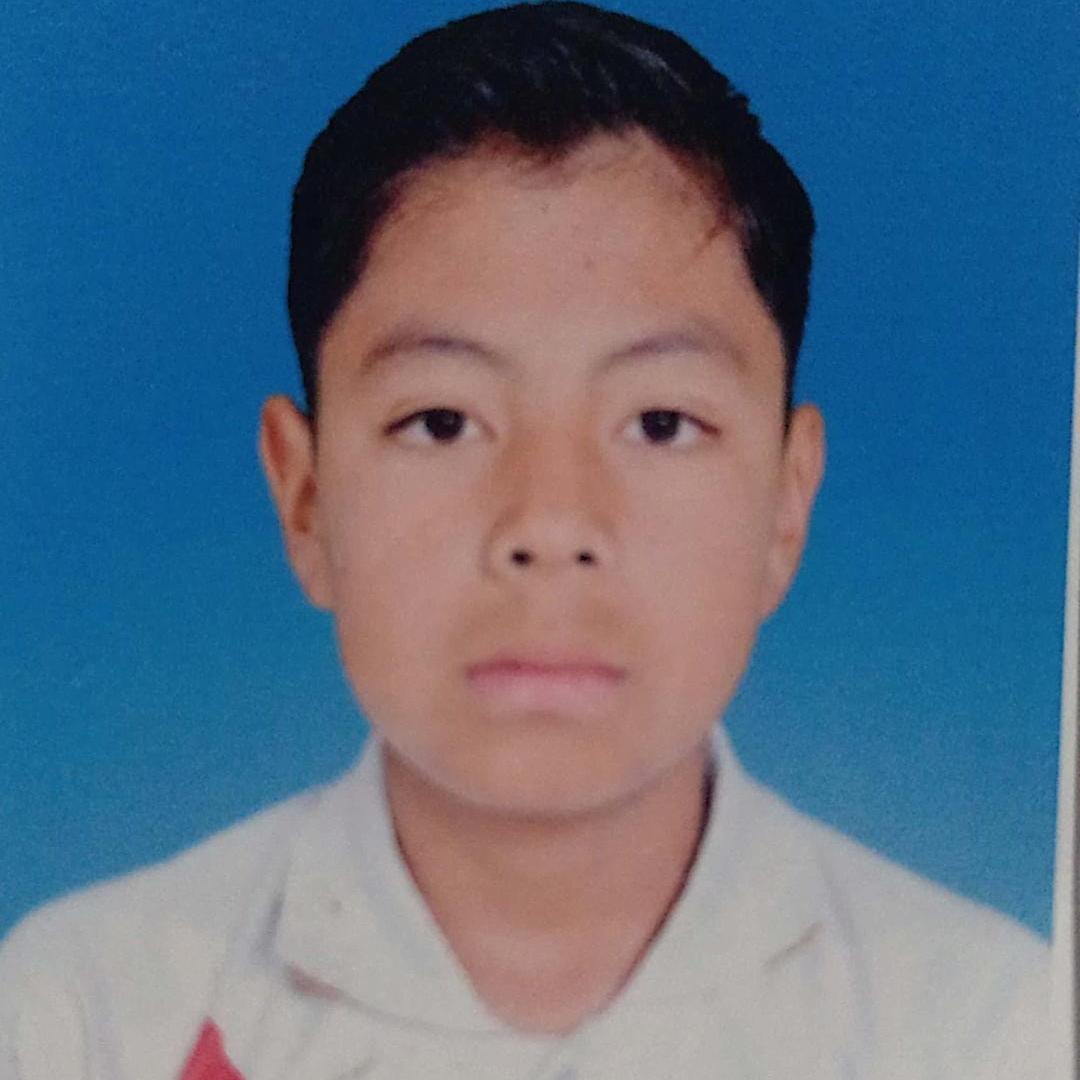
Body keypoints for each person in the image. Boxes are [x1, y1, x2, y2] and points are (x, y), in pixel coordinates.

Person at [0, 3, 1053, 1077]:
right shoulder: (81, 1017)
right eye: (441, 422)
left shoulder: (989, 1027)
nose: (549, 526)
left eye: (660, 422)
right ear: (306, 497)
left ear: (787, 502)